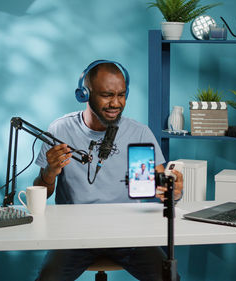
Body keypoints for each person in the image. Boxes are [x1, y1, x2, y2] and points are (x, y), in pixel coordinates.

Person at [33, 60, 183, 281]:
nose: (116, 103)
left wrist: (173, 192)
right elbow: (41, 193)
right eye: (107, 95)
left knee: (168, 278)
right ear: (84, 94)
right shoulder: (60, 130)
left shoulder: (139, 132)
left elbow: (162, 186)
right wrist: (50, 172)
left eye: (121, 95)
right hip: (73, 236)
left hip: (128, 235)